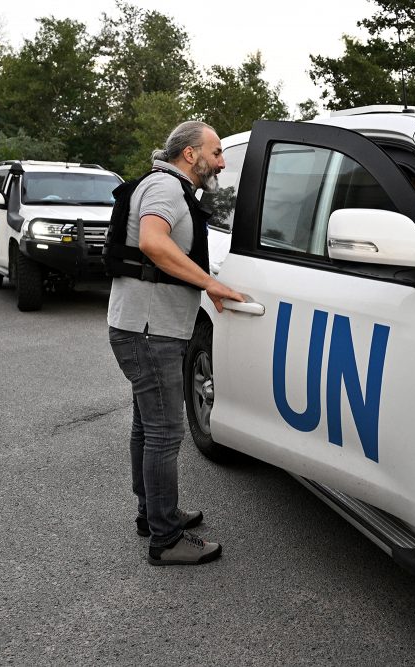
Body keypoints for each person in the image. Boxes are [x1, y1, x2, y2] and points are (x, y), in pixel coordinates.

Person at [107, 120, 243, 566]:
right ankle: (165, 540)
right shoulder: (166, 188)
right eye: (216, 152)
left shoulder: (166, 185)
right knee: (165, 432)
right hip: (150, 332)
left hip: (142, 327)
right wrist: (211, 284)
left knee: (148, 427)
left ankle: (154, 514)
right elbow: (151, 241)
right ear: (190, 154)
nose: (221, 161)